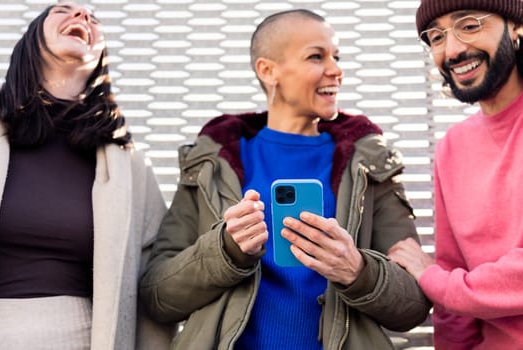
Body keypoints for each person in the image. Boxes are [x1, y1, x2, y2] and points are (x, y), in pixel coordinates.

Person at [140, 9, 430, 350]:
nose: (336, 70)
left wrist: (358, 271)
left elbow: (413, 305)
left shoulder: (371, 165)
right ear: (268, 70)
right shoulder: (209, 163)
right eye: (316, 57)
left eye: (336, 57)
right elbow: (157, 297)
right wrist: (225, 252)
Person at [0, 2, 173, 349]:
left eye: (93, 18)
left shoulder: (129, 162)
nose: (82, 17)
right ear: (31, 41)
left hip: (81, 336)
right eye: (62, 10)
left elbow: (155, 269)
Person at [388, 0, 523, 349]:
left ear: (516, 28)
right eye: (435, 37)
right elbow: (453, 278)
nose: (452, 50)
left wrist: (434, 280)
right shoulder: (453, 146)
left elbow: (447, 279)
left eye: (470, 25)